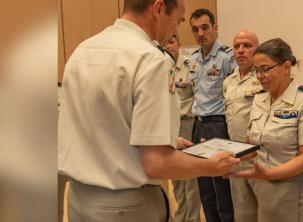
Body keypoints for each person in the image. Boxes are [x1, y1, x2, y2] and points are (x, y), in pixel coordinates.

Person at [58, 1, 241, 221]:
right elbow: (157, 163)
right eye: (178, 21)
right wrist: (211, 166)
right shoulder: (150, 59)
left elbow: (106, 123)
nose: (176, 30)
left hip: (79, 199)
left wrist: (168, 139)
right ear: (158, 9)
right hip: (126, 206)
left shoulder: (83, 49)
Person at [229, 38, 303, 222]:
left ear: (286, 67)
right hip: (268, 191)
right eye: (256, 70)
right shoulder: (259, 100)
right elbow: (253, 146)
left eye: (265, 69)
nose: (259, 76)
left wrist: (268, 174)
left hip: (299, 194)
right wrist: (225, 154)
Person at [188, 8, 236, 222]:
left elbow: (234, 93)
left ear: (215, 28)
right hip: (198, 125)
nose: (200, 33)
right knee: (204, 184)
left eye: (205, 27)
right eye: (195, 29)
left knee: (221, 185)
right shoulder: (193, 59)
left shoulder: (227, 57)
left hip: (218, 124)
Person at [222, 30, 263, 222]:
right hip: (237, 156)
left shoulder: (265, 79)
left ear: (257, 49)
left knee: (266, 210)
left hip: (260, 156)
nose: (240, 50)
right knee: (242, 210)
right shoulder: (228, 81)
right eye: (237, 46)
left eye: (247, 45)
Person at [164, 35, 201, 222]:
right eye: (164, 43)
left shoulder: (190, 66)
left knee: (191, 180)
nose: (167, 46)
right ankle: (181, 217)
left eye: (171, 42)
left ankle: (193, 218)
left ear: (179, 43)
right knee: (175, 178)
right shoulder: (159, 66)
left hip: (188, 124)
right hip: (168, 126)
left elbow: (198, 97)